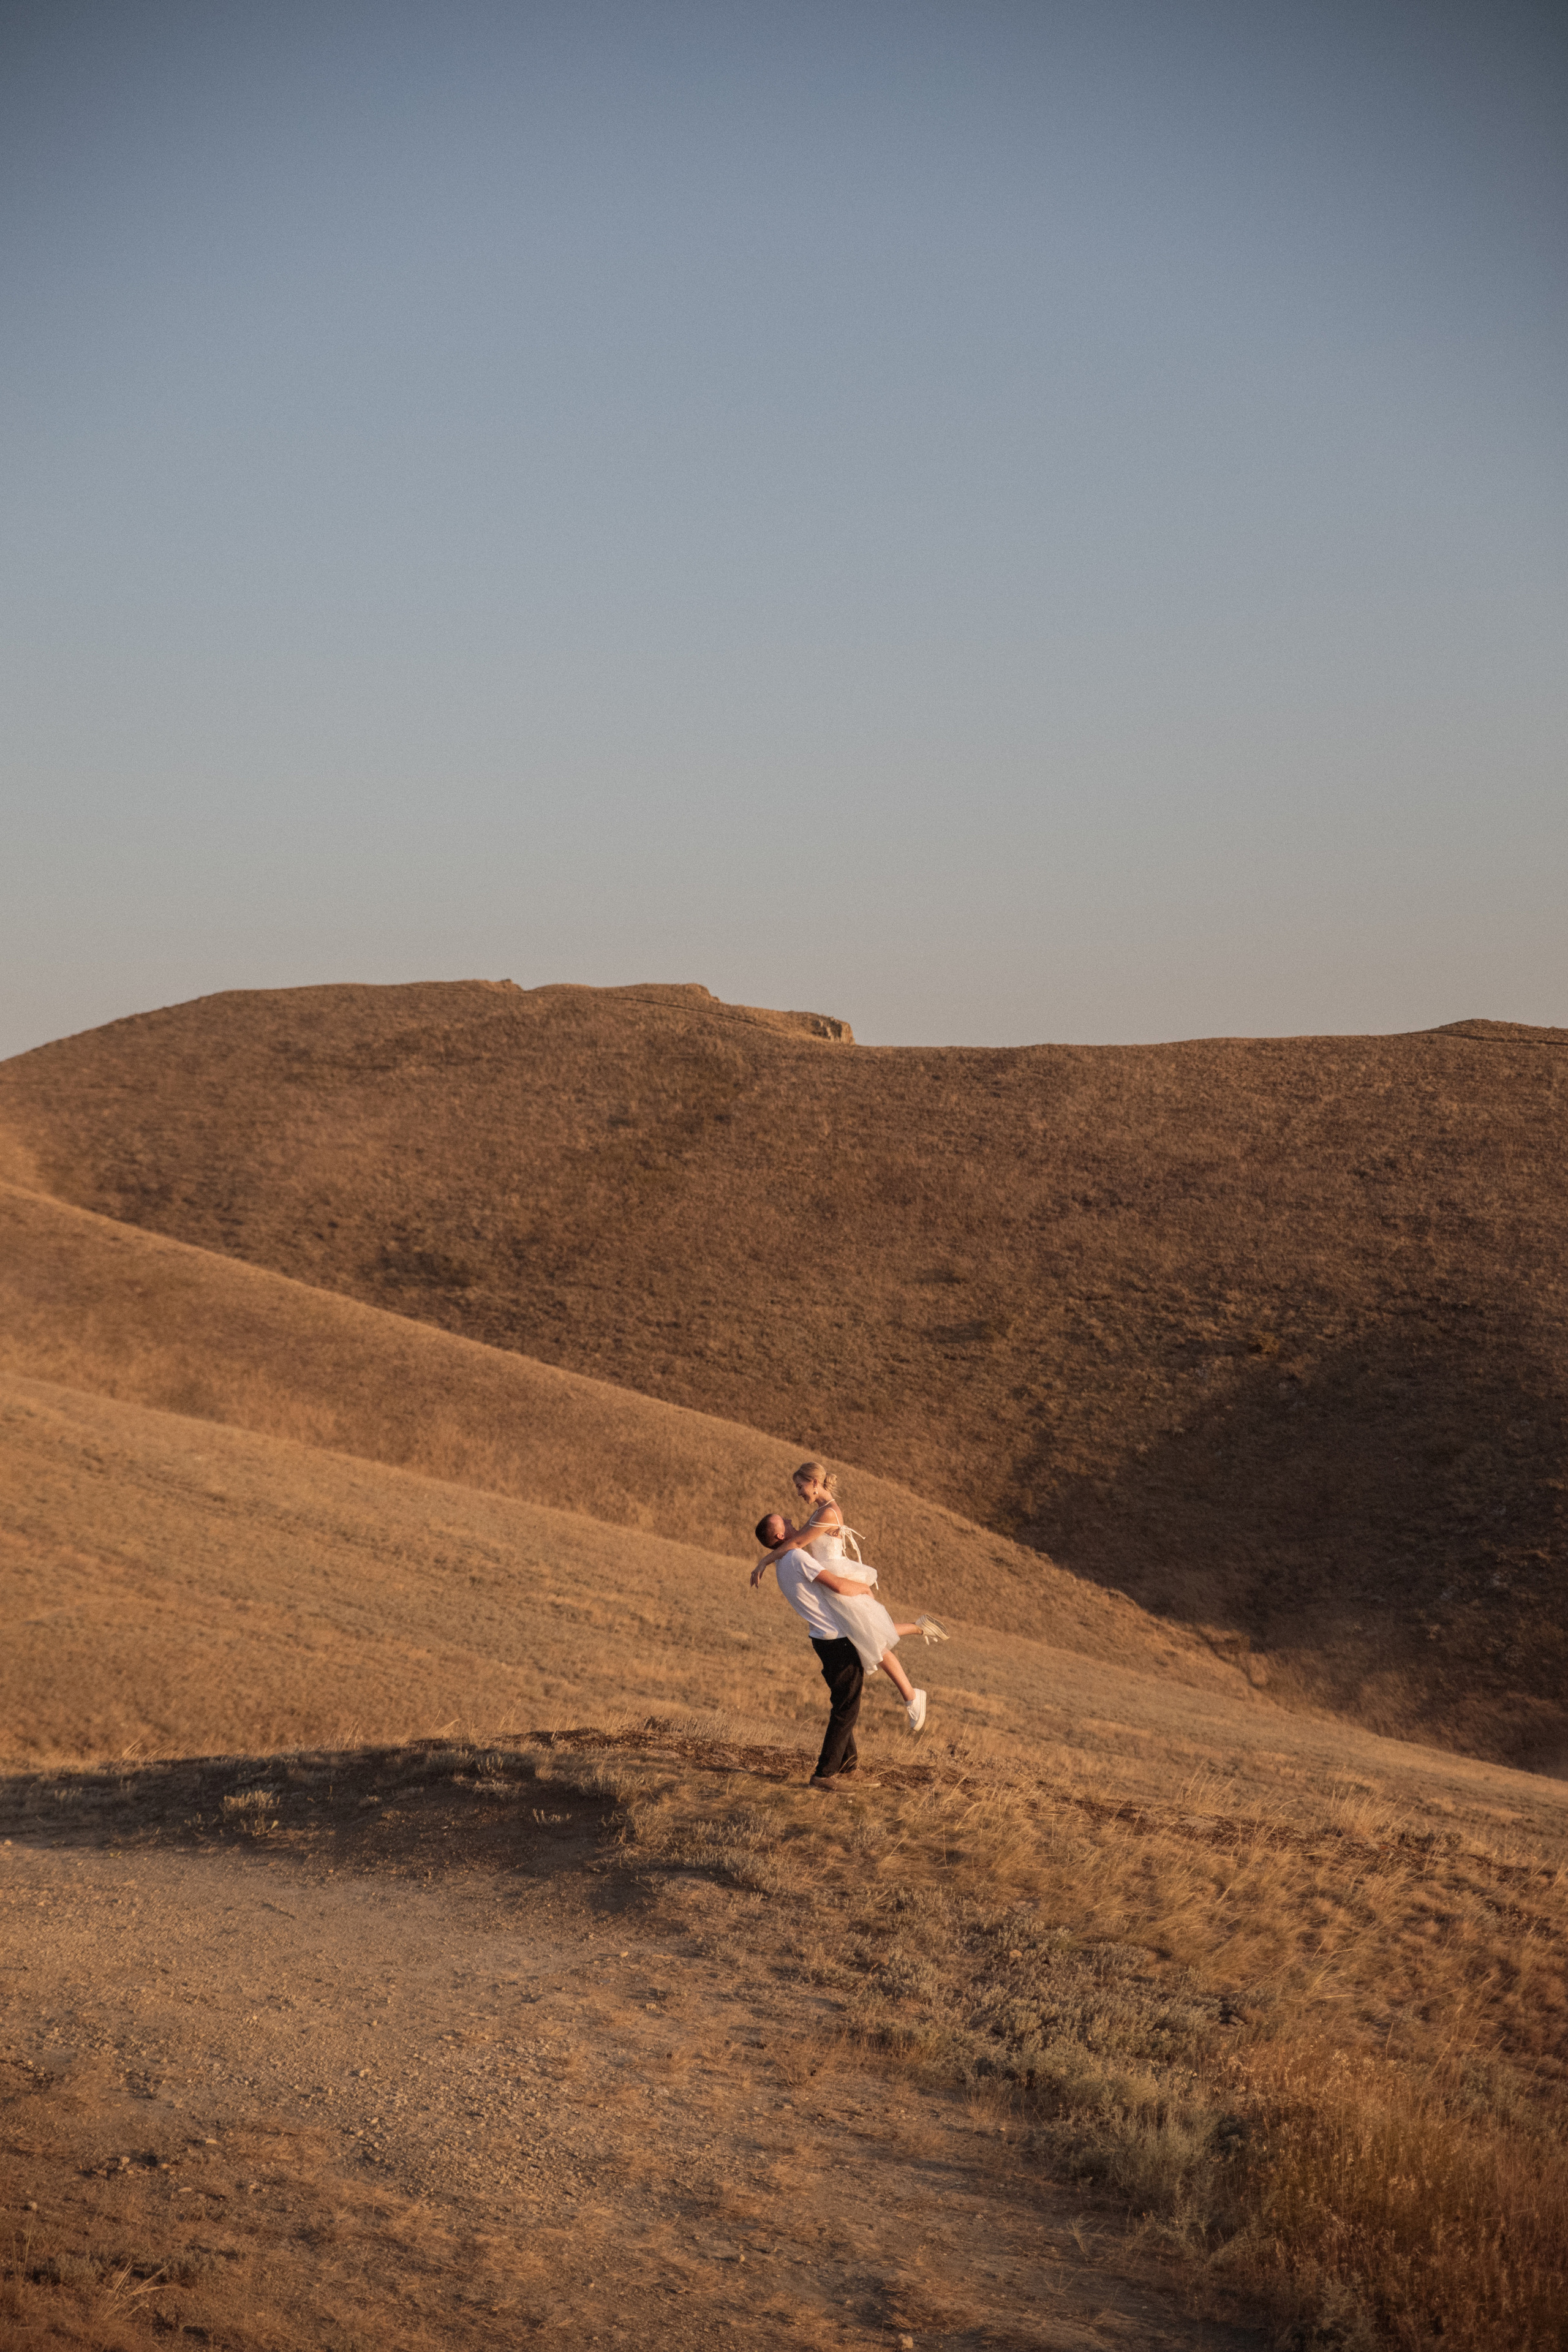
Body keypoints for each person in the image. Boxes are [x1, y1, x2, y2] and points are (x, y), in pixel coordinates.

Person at [751, 1462, 948, 1787]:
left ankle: (905, 1701)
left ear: (814, 1484)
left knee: (869, 1642)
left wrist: (764, 1561)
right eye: (784, 1522)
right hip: (835, 1595)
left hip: (831, 1597)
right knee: (852, 1692)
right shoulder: (799, 1548)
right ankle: (827, 1774)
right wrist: (860, 1589)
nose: (796, 1496)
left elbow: (796, 1542)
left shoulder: (818, 1523)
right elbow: (800, 1548)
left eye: (800, 1486)